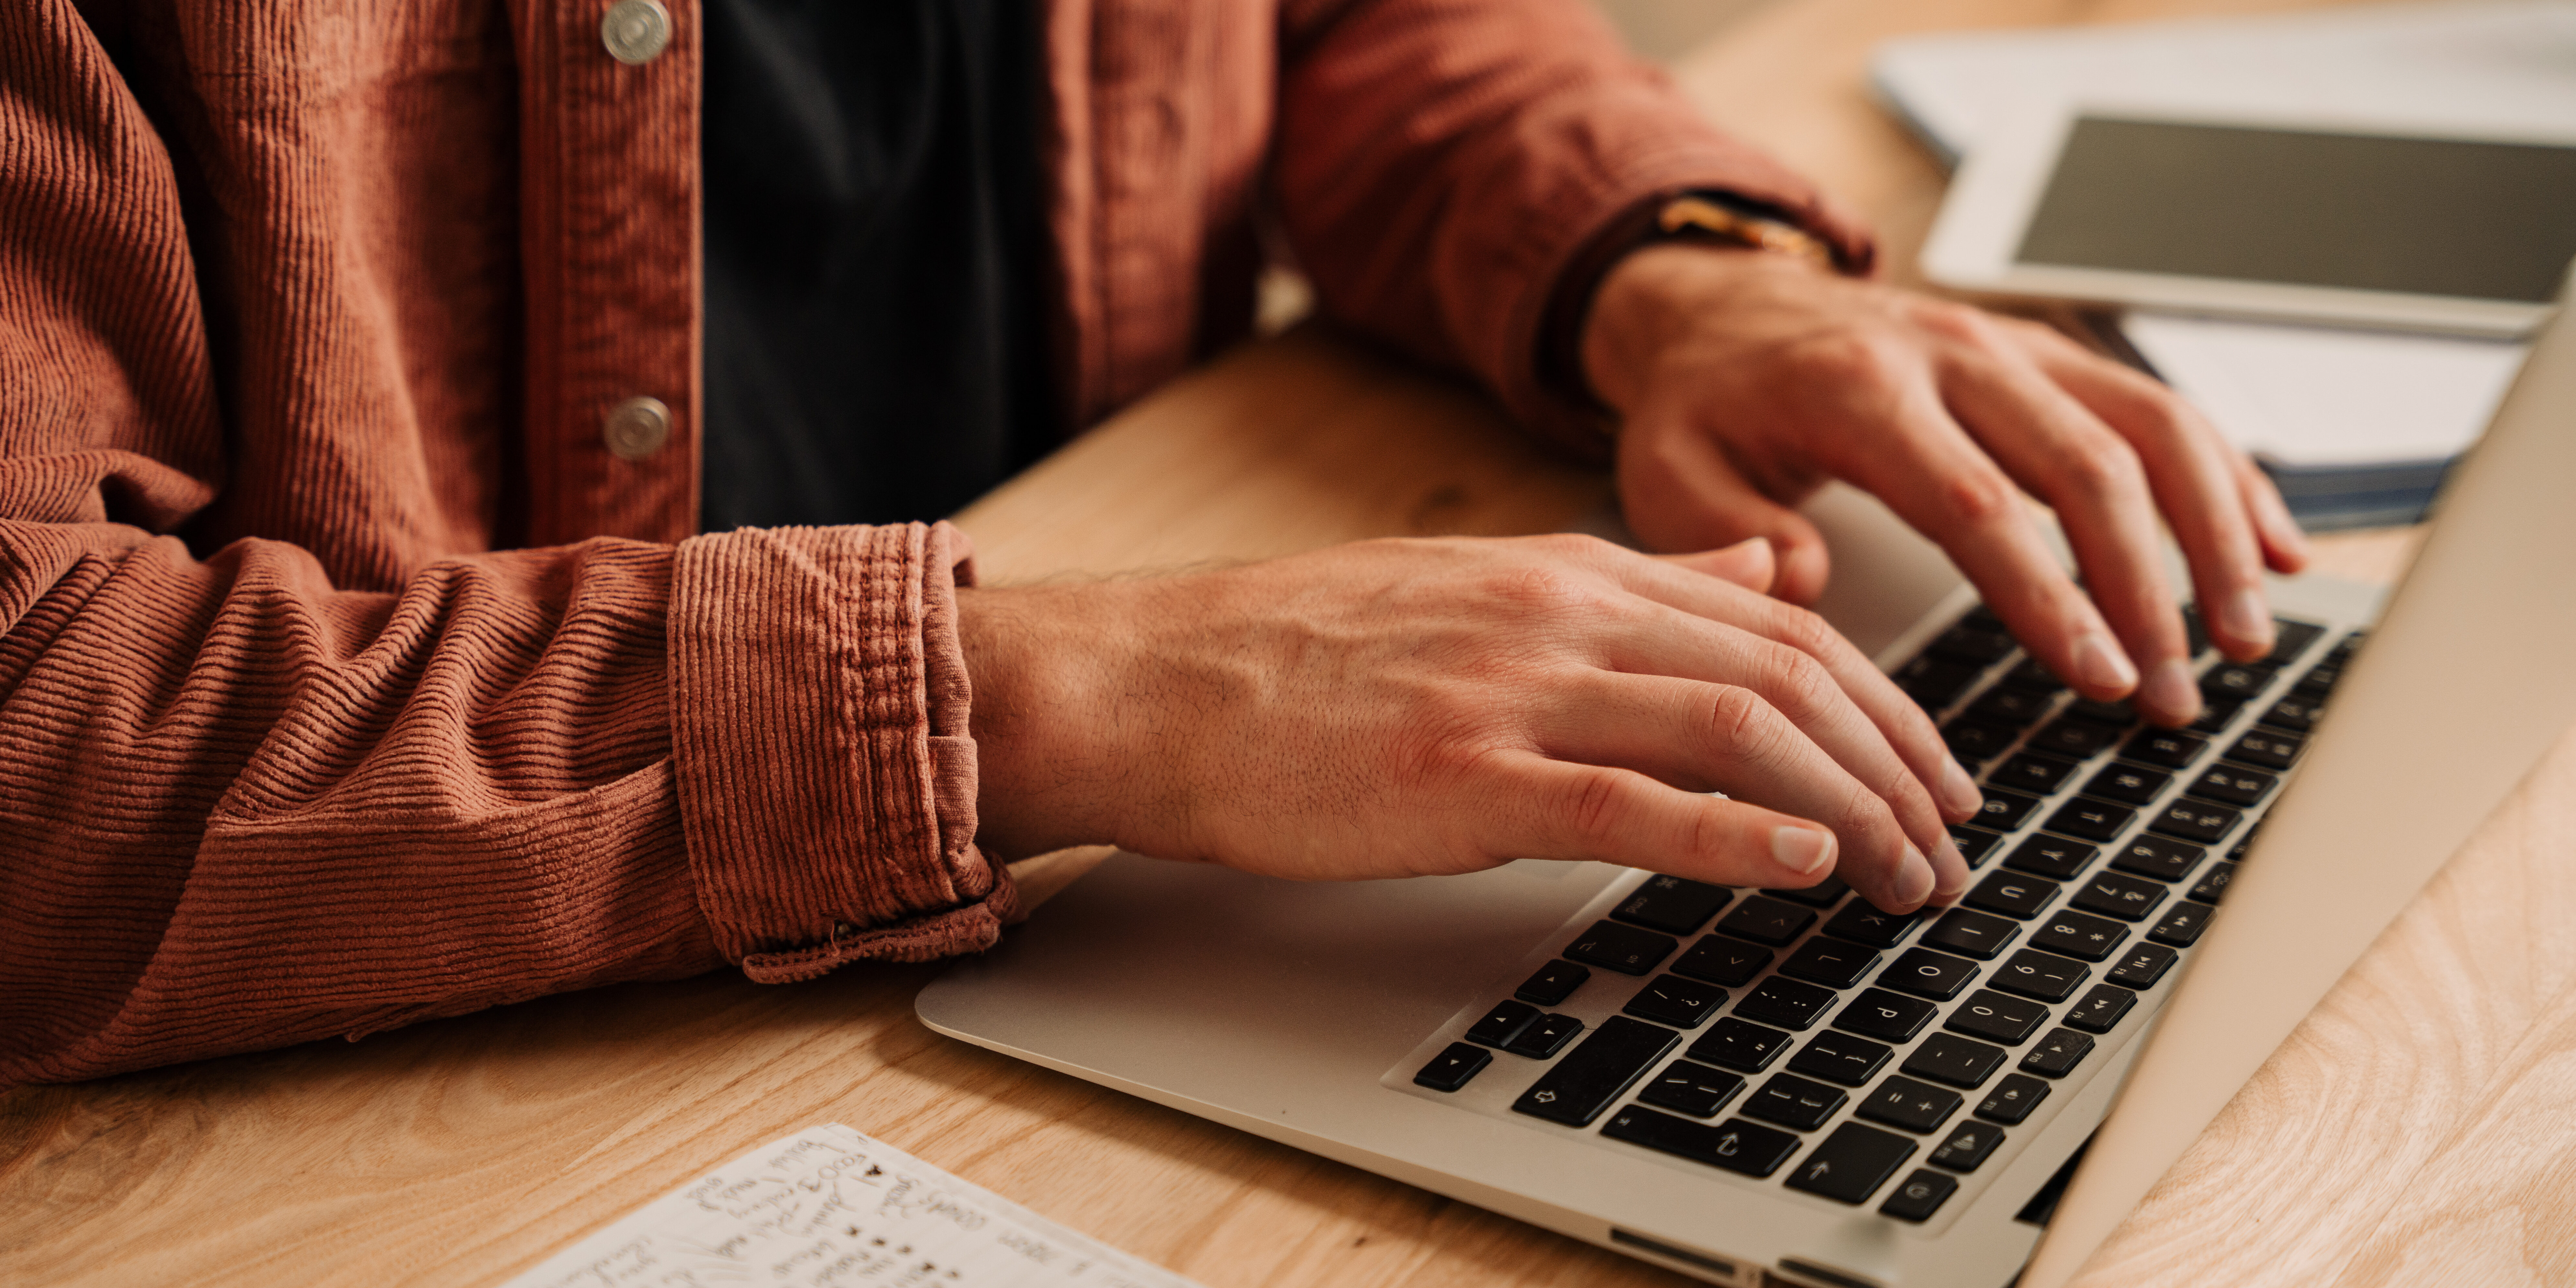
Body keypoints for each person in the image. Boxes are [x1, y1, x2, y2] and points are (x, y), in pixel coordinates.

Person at [0, 0, 2304, 1085]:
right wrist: (1060, 690)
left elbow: (1362, 31)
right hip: (445, 1078)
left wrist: (1672, 274)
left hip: (1114, 925)